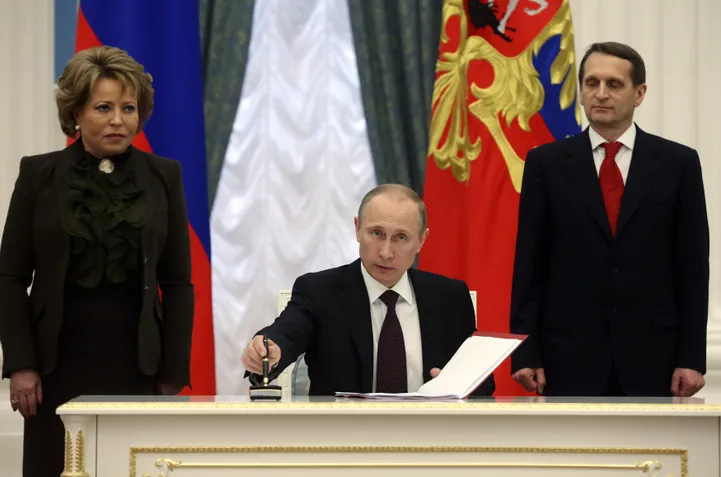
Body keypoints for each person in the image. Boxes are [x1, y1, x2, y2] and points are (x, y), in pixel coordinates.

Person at [0, 46, 194, 477]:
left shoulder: (164, 175)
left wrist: (173, 370)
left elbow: (178, 282)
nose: (118, 120)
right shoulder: (38, 174)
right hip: (55, 365)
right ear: (76, 112)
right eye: (103, 107)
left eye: (129, 108)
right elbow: (10, 277)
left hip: (138, 364)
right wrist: (21, 364)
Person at [510, 42, 709, 397]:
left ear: (639, 93)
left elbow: (692, 269)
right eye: (591, 83)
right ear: (581, 92)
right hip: (566, 356)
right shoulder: (545, 164)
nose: (600, 93)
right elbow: (530, 266)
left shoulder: (678, 164)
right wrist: (526, 352)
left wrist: (691, 357)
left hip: (655, 357)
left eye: (614, 84)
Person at [241, 184, 495, 396]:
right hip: (342, 437)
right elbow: (284, 335)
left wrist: (457, 388)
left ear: (421, 240)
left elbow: (483, 387)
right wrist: (266, 352)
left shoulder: (450, 298)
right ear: (357, 229)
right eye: (376, 233)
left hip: (430, 436)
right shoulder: (320, 292)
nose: (386, 252)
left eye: (401, 237)